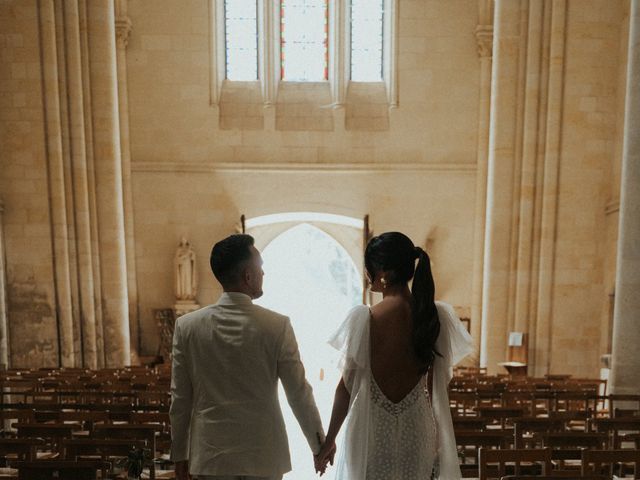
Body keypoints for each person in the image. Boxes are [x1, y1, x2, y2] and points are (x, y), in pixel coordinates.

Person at [315, 232, 473, 479]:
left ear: (382, 273)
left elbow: (346, 388)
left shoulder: (364, 319)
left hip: (371, 428)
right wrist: (439, 437)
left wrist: (329, 441)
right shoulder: (434, 316)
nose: (366, 276)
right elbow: (437, 388)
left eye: (368, 269)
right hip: (418, 428)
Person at [170, 234, 325, 480]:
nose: (264, 274)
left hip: (211, 457)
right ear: (248, 276)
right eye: (260, 267)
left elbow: (180, 399)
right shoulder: (276, 326)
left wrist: (179, 454)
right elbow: (298, 393)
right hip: (263, 455)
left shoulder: (187, 327)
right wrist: (319, 445)